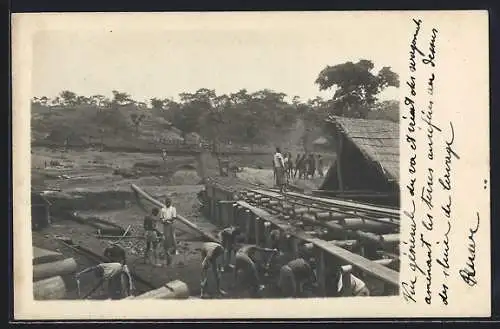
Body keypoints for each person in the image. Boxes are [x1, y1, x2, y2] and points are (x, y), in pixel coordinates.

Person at [160, 197, 177, 266]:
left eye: (169, 202)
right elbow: (161, 218)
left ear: (171, 202)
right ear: (165, 202)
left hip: (171, 224)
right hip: (165, 224)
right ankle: (166, 249)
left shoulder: (173, 209)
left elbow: (174, 217)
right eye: (167, 202)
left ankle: (174, 249)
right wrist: (164, 221)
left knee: (172, 236)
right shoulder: (163, 209)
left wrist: (169, 221)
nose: (168, 203)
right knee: (166, 236)